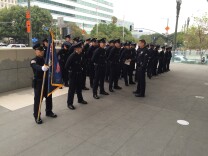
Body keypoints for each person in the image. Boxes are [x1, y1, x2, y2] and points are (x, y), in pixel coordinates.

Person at [30, 43, 57, 124]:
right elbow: (35, 66)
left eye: (42, 51)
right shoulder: (34, 60)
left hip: (46, 82)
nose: (42, 52)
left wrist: (51, 65)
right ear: (36, 51)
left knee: (49, 97)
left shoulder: (46, 59)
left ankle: (49, 111)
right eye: (40, 51)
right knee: (38, 100)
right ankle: (37, 115)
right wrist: (41, 68)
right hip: (39, 82)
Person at [65, 42, 88, 110]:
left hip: (79, 74)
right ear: (77, 49)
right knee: (72, 90)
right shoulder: (72, 56)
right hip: (73, 75)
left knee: (79, 88)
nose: (81, 48)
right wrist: (72, 70)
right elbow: (66, 66)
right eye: (80, 47)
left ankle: (80, 99)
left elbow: (82, 63)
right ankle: (69, 103)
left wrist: (82, 68)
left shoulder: (81, 55)